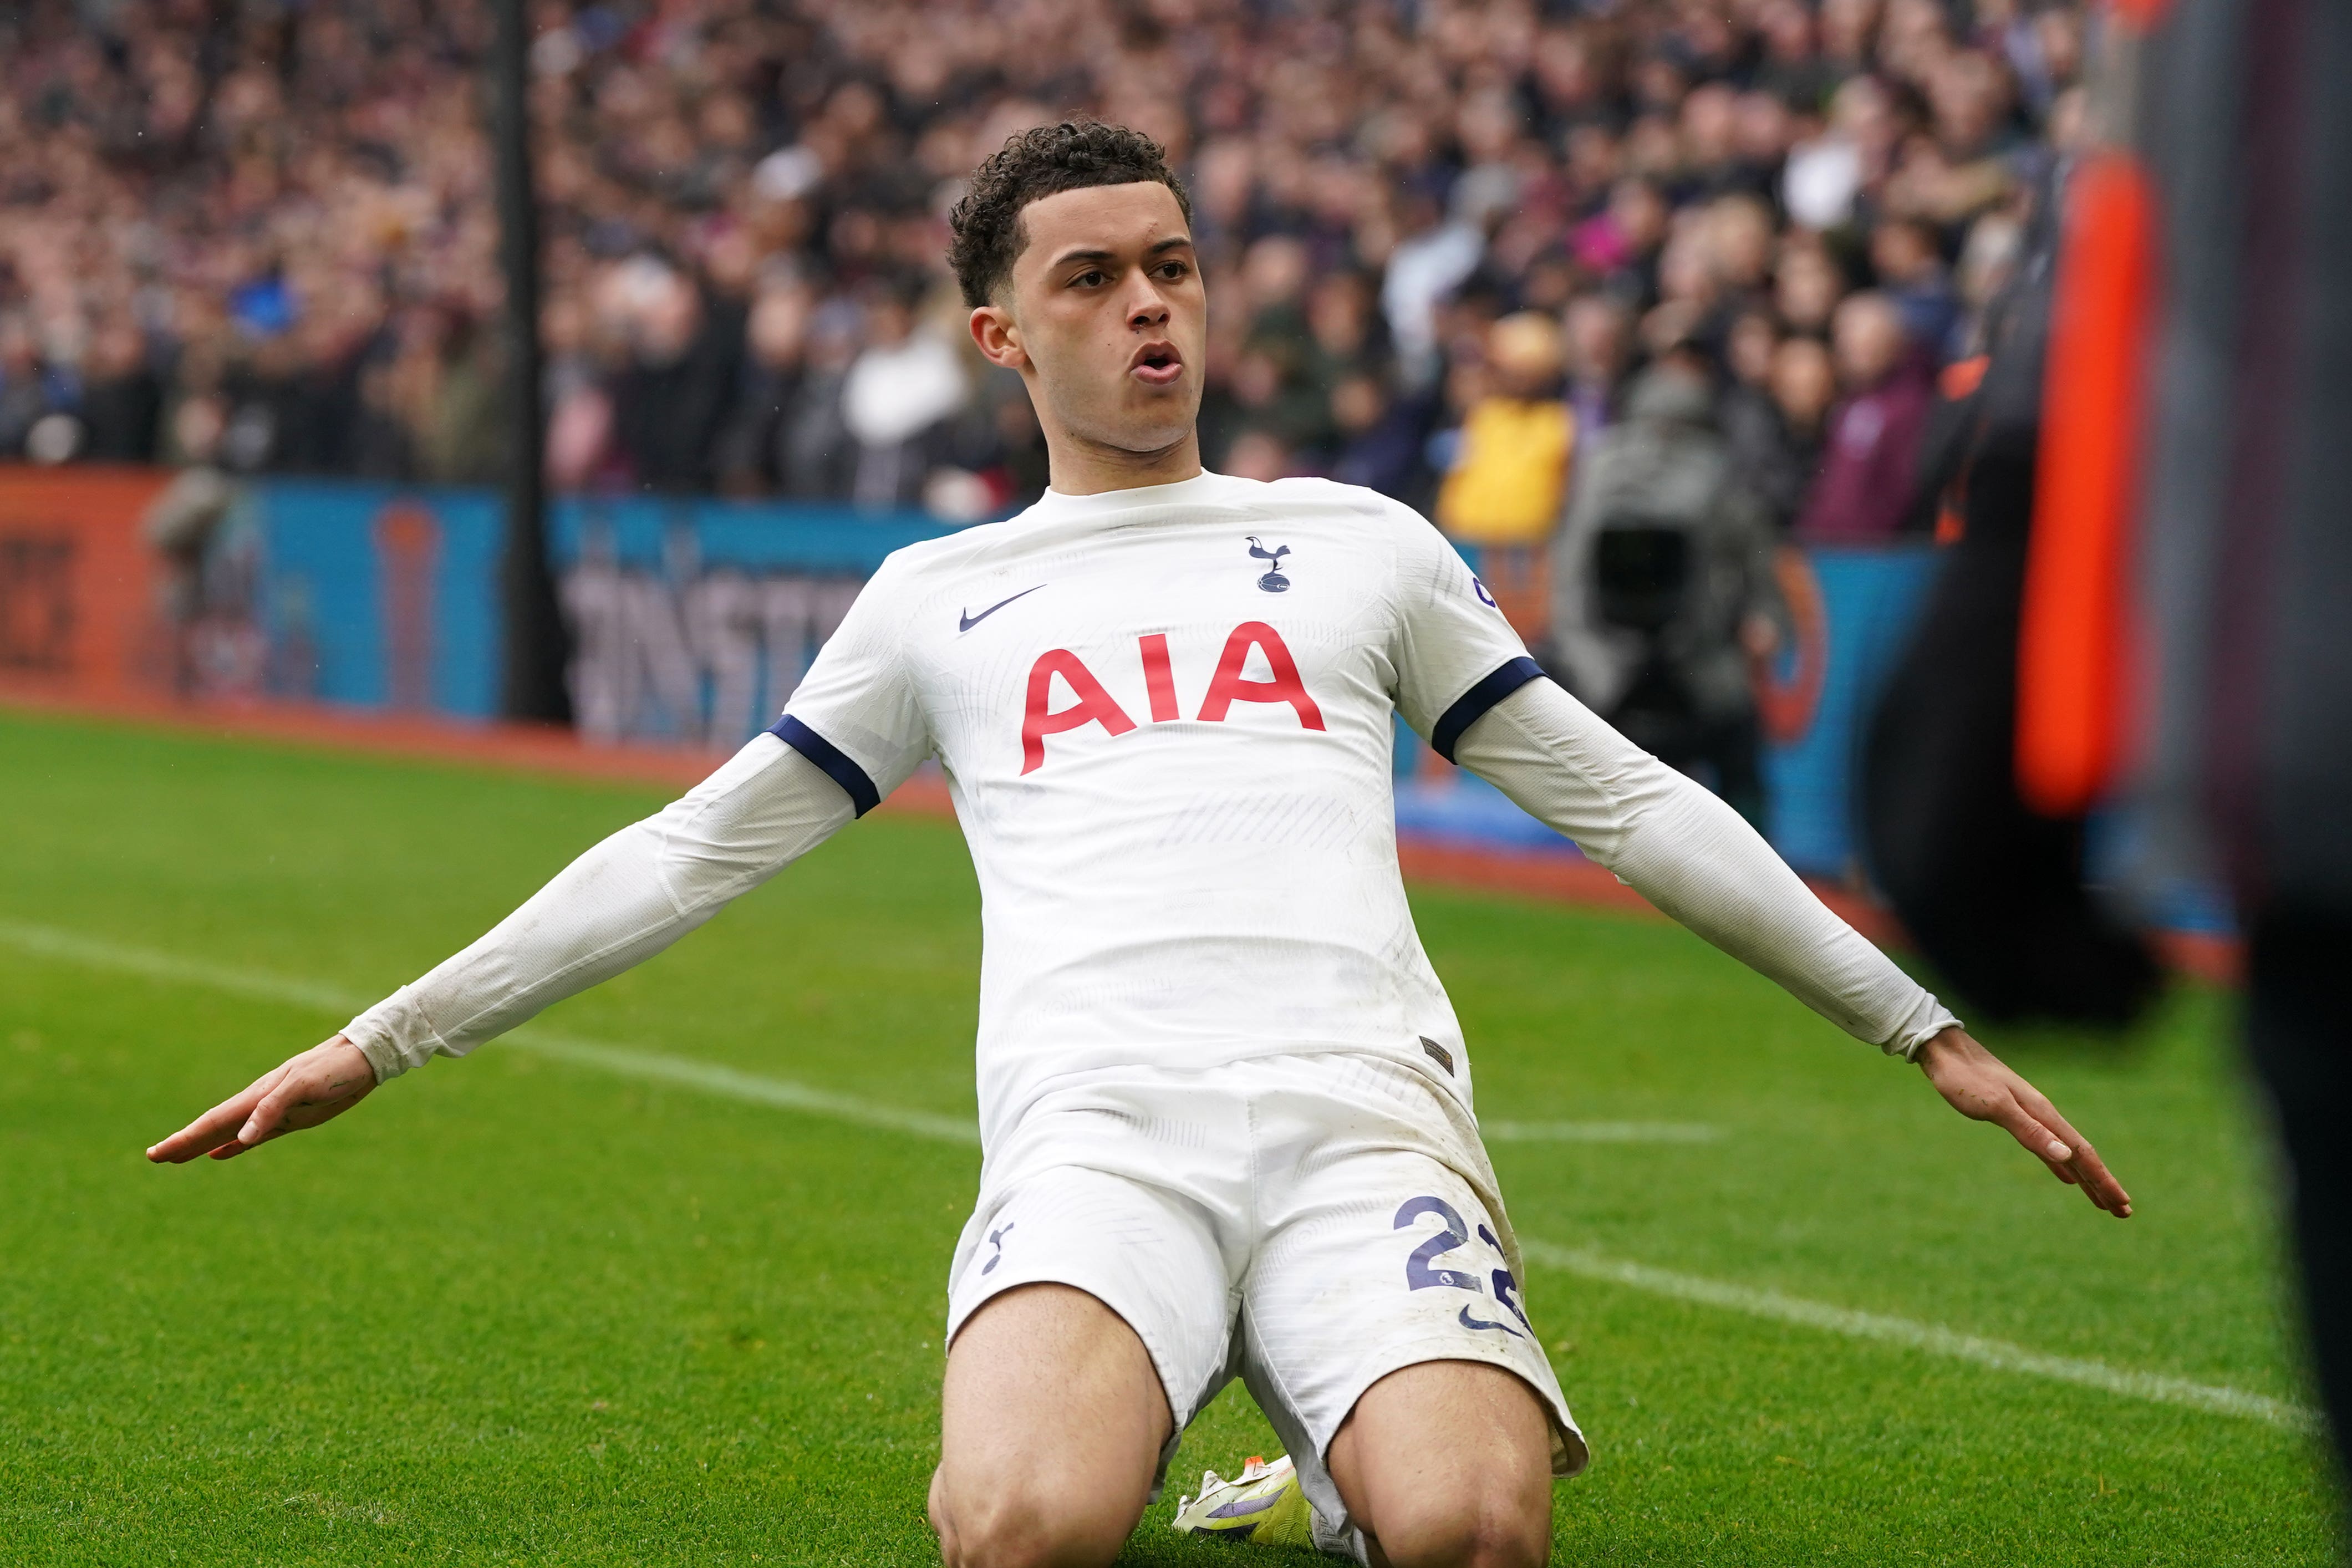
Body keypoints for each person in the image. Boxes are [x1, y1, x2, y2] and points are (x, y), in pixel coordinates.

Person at [145, 123, 2131, 1568]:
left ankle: (1345, 1461)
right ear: (1001, 336)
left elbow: (1622, 797)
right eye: (1091, 280)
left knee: (1474, 1534)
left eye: (1169, 263)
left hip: (1367, 1117)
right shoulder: (935, 597)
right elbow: (683, 854)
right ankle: (1244, 1407)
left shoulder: (1363, 544)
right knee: (1021, 1523)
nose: (1148, 306)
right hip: (1101, 1133)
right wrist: (380, 1038)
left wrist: (1917, 1028)